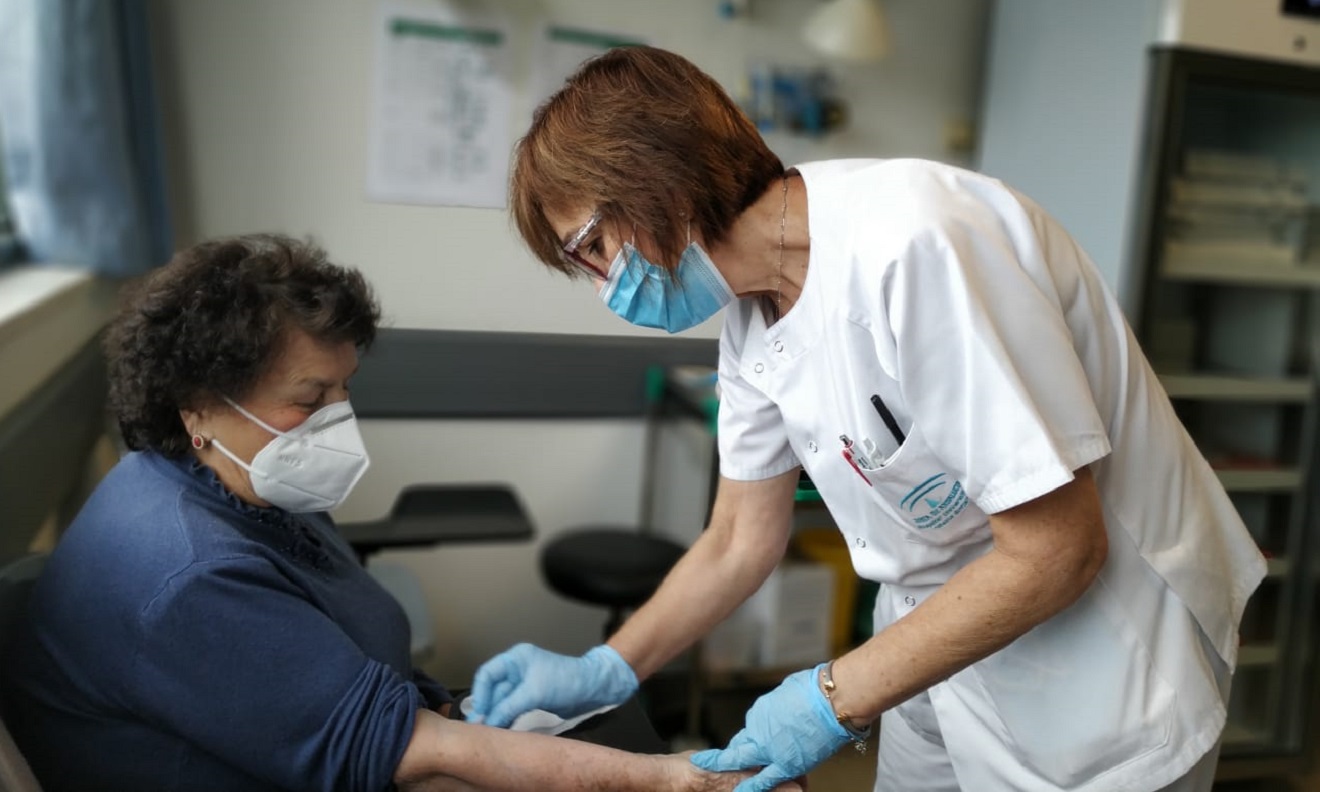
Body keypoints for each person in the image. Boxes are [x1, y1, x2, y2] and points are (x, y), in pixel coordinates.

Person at [465, 45, 1269, 792]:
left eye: (592, 247)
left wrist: (832, 697)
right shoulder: (751, 317)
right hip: (934, 650)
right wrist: (610, 667)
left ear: (657, 184)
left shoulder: (915, 244)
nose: (603, 284)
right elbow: (739, 537)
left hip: (1104, 664)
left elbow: (1057, 549)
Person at [0, 233, 802, 792]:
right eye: (309, 397)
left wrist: (445, 705)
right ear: (198, 405)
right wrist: (676, 781)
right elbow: (412, 755)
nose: (336, 420)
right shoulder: (188, 575)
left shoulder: (243, 484)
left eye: (344, 389)